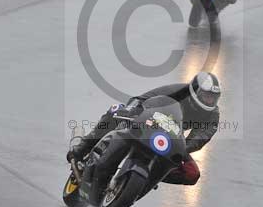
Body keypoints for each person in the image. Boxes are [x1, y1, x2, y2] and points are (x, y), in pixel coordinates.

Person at [67, 72, 221, 185]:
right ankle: (81, 148)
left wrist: (183, 149)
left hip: (172, 140)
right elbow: (143, 98)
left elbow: (202, 136)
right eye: (206, 95)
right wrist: (131, 110)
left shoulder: (213, 115)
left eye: (213, 97)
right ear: (195, 91)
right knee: (116, 110)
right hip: (147, 122)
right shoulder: (180, 90)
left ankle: (150, 175)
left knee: (192, 173)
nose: (210, 100)